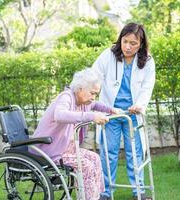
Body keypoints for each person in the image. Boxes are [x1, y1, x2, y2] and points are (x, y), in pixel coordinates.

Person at [31, 68, 118, 200]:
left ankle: (95, 196)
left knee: (95, 158)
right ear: (80, 88)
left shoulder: (83, 101)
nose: (93, 97)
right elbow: (60, 115)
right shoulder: (66, 97)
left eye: (96, 94)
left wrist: (111, 110)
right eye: (92, 93)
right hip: (50, 150)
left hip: (66, 149)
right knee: (86, 166)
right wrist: (91, 116)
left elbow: (95, 105)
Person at [92, 23, 155, 200]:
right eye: (124, 41)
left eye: (133, 43)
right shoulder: (108, 55)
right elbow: (94, 75)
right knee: (108, 154)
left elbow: (147, 87)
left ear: (141, 44)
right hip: (110, 113)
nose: (127, 47)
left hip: (132, 114)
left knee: (134, 154)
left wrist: (140, 105)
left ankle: (139, 192)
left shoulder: (148, 61)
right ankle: (105, 192)